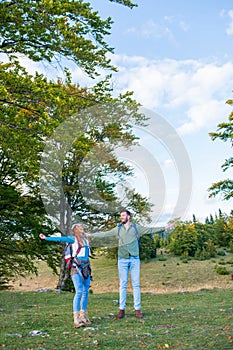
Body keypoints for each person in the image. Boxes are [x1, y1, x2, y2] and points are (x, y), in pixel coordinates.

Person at [90, 209, 165, 320]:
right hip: (122, 260)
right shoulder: (118, 229)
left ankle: (138, 310)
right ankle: (121, 310)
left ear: (128, 217)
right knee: (123, 284)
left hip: (134, 259)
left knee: (136, 284)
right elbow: (105, 234)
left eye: (123, 215)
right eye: (121, 216)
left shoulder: (136, 228)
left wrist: (165, 227)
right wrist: (90, 235)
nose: (121, 217)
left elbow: (150, 230)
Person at [39, 224, 92, 328]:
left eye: (83, 228)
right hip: (75, 267)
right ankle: (76, 319)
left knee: (85, 291)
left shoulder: (86, 240)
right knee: (79, 291)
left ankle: (83, 316)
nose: (82, 230)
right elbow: (60, 238)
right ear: (75, 230)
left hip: (86, 267)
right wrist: (46, 238)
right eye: (80, 228)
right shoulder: (72, 239)